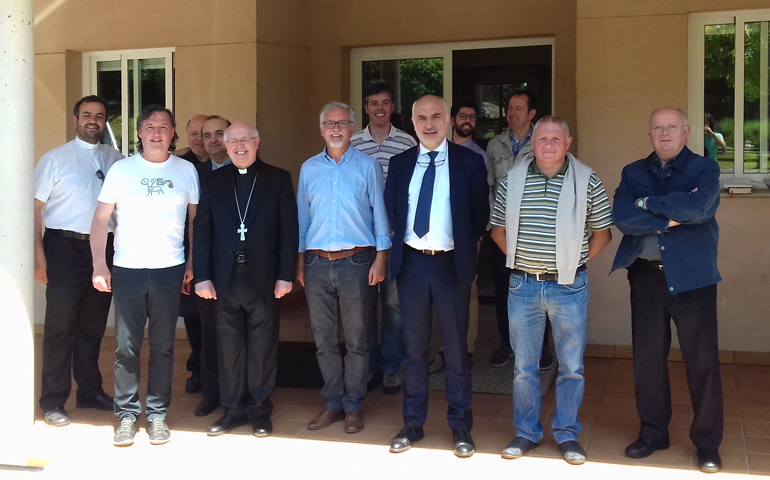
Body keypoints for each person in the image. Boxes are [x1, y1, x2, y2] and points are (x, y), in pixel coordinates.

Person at [490, 116, 612, 465]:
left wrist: (572, 263)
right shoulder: (512, 180)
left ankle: (567, 433)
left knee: (571, 365)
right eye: (542, 138)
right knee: (524, 367)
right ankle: (526, 432)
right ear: (533, 142)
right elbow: (497, 230)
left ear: (567, 143)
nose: (548, 145)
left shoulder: (587, 180)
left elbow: (603, 233)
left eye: (555, 139)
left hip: (568, 286)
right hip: (523, 285)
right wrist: (518, 261)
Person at [611, 107, 723, 473]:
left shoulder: (705, 169)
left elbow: (700, 207)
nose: (664, 133)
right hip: (646, 277)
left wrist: (648, 204)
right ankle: (653, 433)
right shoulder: (633, 172)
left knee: (702, 363)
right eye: (657, 128)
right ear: (649, 134)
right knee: (647, 361)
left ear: (686, 132)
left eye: (672, 127)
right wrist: (673, 216)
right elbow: (622, 217)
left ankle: (707, 444)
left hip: (694, 278)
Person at [385, 95, 488, 458]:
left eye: (435, 117)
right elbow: (392, 210)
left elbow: (479, 216)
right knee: (414, 350)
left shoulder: (470, 163)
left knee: (456, 350)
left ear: (447, 120)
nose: (429, 124)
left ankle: (461, 426)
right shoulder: (399, 163)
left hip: (450, 265)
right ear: (412, 123)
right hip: (412, 265)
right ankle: (413, 423)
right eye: (421, 118)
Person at [91, 105, 199, 447]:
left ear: (172, 133)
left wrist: (192, 263)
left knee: (164, 346)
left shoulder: (186, 171)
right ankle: (126, 415)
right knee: (126, 347)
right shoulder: (122, 170)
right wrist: (99, 264)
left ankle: (157, 414)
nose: (156, 132)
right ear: (139, 133)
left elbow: (195, 223)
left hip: (170, 269)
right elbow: (100, 220)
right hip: (128, 269)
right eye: (150, 127)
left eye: (163, 127)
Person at [194, 121, 297, 438]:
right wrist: (202, 276)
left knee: (263, 346)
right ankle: (233, 409)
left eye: (246, 140)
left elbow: (288, 231)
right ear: (226, 147)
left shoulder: (278, 178)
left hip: (263, 277)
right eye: (234, 141)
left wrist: (285, 275)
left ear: (257, 142)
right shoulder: (213, 181)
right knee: (228, 347)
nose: (240, 146)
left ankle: (260, 409)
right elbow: (203, 232)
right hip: (225, 278)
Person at [297, 101, 391, 434]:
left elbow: (380, 212)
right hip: (316, 262)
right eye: (330, 124)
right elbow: (303, 219)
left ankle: (353, 406)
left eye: (342, 123)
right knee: (324, 340)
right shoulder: (309, 169)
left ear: (352, 129)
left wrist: (381, 256)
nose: (336, 129)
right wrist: (300, 261)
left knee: (358, 339)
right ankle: (332, 403)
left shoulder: (368, 166)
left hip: (357, 261)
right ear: (321, 130)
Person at [33, 95, 123, 427]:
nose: (93, 121)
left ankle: (89, 391)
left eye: (99, 116)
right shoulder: (55, 159)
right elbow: (34, 209)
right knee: (60, 327)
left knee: (92, 325)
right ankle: (53, 400)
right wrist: (38, 254)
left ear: (104, 121)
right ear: (76, 120)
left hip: (103, 250)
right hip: (63, 247)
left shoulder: (115, 159)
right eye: (87, 115)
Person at [351, 82, 416, 394]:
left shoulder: (407, 143)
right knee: (362, 308)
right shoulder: (352, 144)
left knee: (393, 305)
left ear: (392, 107)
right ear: (366, 108)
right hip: (360, 239)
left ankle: (390, 367)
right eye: (374, 103)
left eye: (385, 102)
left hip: (394, 238)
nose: (379, 108)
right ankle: (367, 368)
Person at [429, 102, 488, 373]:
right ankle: (442, 349)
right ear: (452, 120)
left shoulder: (480, 157)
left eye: (472, 117)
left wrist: (474, 235)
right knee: (437, 293)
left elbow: (483, 201)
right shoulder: (436, 151)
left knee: (467, 292)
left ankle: (465, 350)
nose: (468, 120)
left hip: (465, 238)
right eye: (463, 116)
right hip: (435, 240)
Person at [485, 90, 536, 368]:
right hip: (502, 231)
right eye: (509, 108)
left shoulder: (543, 141)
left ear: (531, 114)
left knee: (538, 287)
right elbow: (489, 187)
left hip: (533, 231)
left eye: (518, 108)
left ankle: (539, 347)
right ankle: (507, 343)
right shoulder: (495, 144)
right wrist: (495, 222)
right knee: (504, 288)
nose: (512, 113)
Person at [189, 115, 233, 417]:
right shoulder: (195, 174)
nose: (213, 140)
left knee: (238, 333)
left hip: (242, 266)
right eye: (207, 135)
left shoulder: (248, 168)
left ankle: (239, 392)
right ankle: (211, 392)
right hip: (207, 265)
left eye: (220, 133)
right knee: (208, 333)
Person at [177, 113, 208, 396]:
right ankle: (198, 369)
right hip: (186, 251)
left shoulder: (227, 161)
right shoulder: (179, 164)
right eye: (194, 134)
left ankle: (214, 371)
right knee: (193, 316)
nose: (200, 139)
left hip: (218, 251)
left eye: (205, 133)